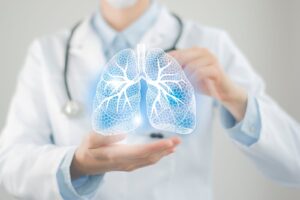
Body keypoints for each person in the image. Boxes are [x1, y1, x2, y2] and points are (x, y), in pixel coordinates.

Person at [0, 0, 300, 199]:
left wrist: (235, 98)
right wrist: (77, 164)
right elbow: (9, 164)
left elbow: (294, 164)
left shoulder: (209, 43)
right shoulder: (48, 52)